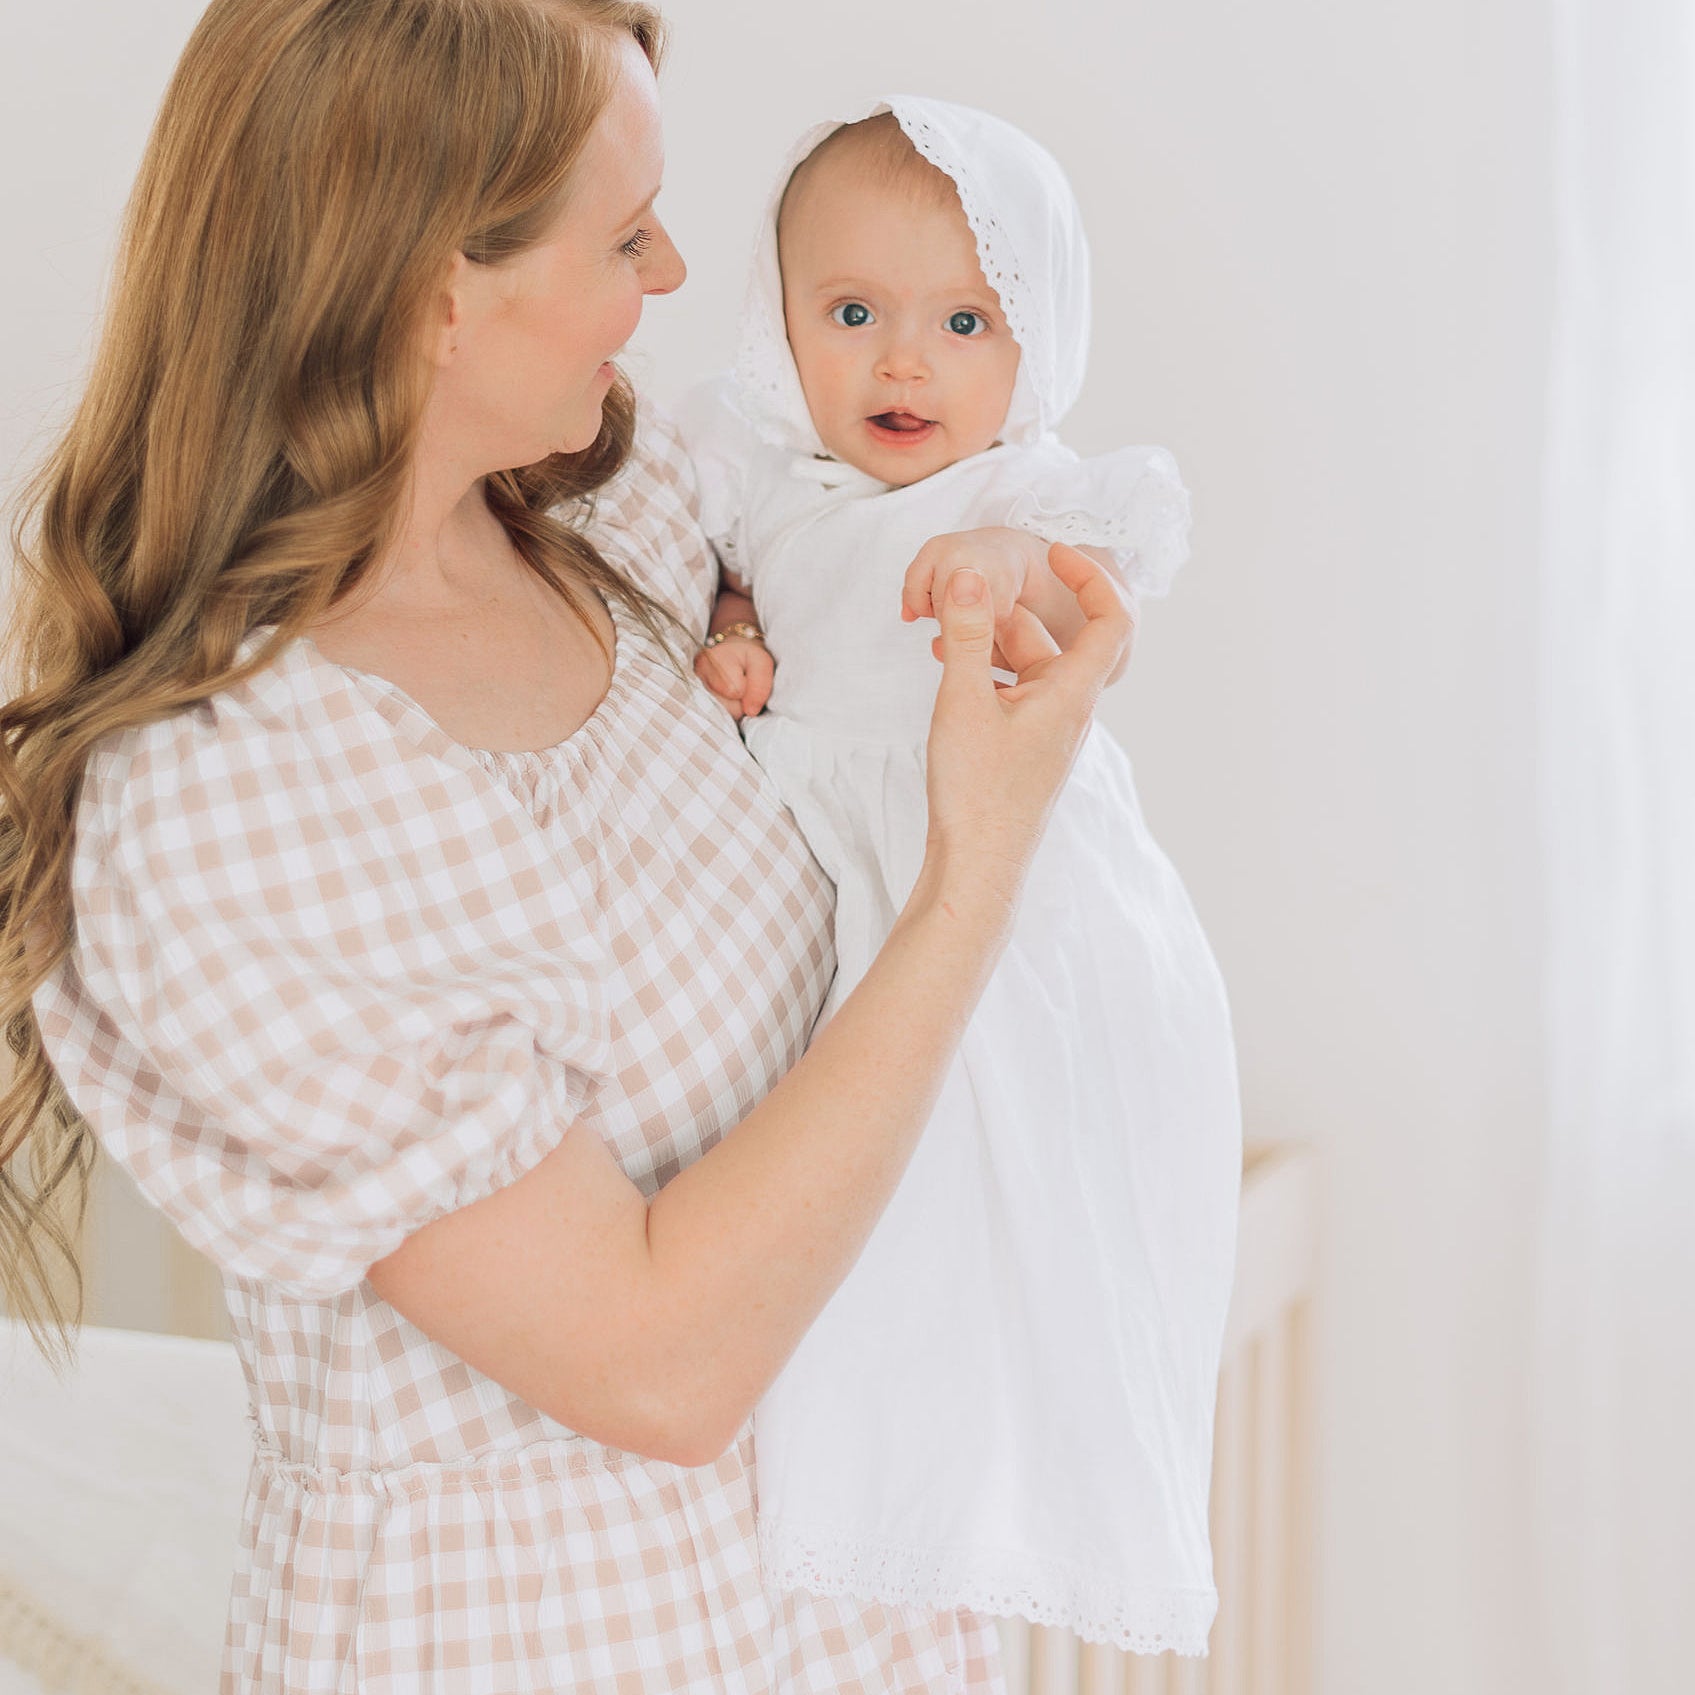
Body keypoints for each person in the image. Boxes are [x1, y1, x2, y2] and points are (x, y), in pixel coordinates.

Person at [0, 4, 1132, 1691]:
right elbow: (663, 1368)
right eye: (623, 233)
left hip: (829, 1619)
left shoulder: (627, 521)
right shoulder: (228, 800)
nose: (674, 272)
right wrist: (976, 877)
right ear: (433, 284)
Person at [677, 99, 1242, 1655]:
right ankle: (865, 1504)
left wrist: (995, 590)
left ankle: (1001, 1506)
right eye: (851, 314)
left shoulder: (1027, 497)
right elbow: (726, 573)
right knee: (868, 1238)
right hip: (849, 886)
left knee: (1015, 1189)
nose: (901, 363)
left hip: (1005, 891)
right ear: (779, 318)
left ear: (1036, 338)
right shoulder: (761, 473)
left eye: (963, 320)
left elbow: (1084, 633)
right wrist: (730, 626)